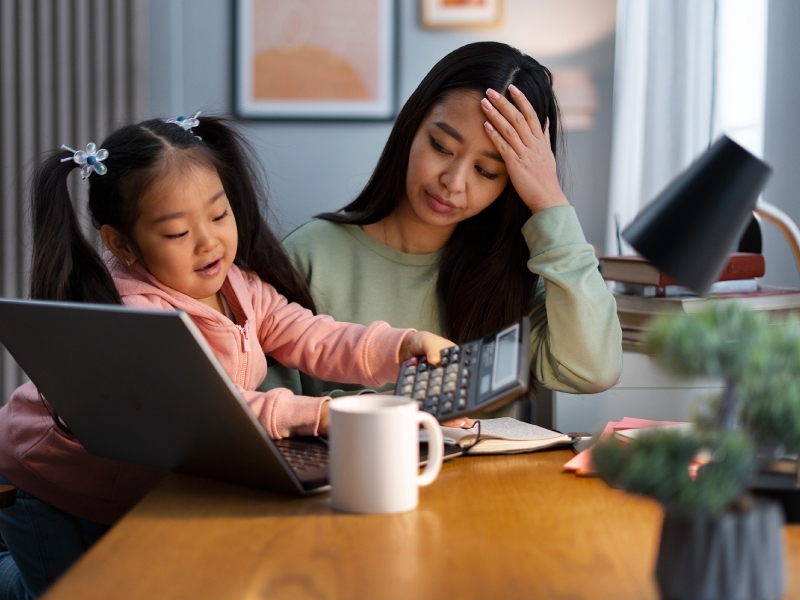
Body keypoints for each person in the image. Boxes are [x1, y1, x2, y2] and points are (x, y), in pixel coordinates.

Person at [0, 115, 452, 600]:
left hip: (133, 486)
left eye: (219, 215)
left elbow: (310, 335)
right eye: (177, 233)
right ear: (122, 243)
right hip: (52, 484)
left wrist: (399, 346)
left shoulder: (239, 285)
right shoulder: (136, 316)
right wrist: (317, 414)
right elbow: (211, 413)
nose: (209, 242)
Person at [265, 41, 623, 412]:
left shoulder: (513, 275)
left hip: (491, 473)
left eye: (486, 171)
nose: (453, 182)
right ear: (412, 126)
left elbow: (594, 370)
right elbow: (268, 415)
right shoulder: (308, 256)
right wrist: (405, 406)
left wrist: (550, 199)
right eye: (441, 146)